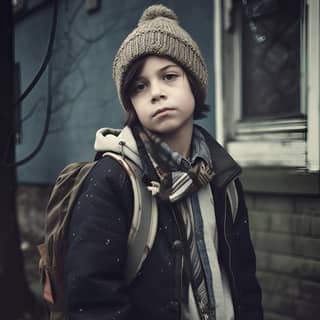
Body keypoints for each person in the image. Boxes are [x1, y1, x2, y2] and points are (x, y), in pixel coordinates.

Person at [64, 4, 263, 320]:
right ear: (131, 103)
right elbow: (92, 299)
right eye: (139, 86)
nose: (156, 93)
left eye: (169, 76)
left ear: (194, 85)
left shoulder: (222, 175)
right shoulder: (113, 178)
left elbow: (244, 281)